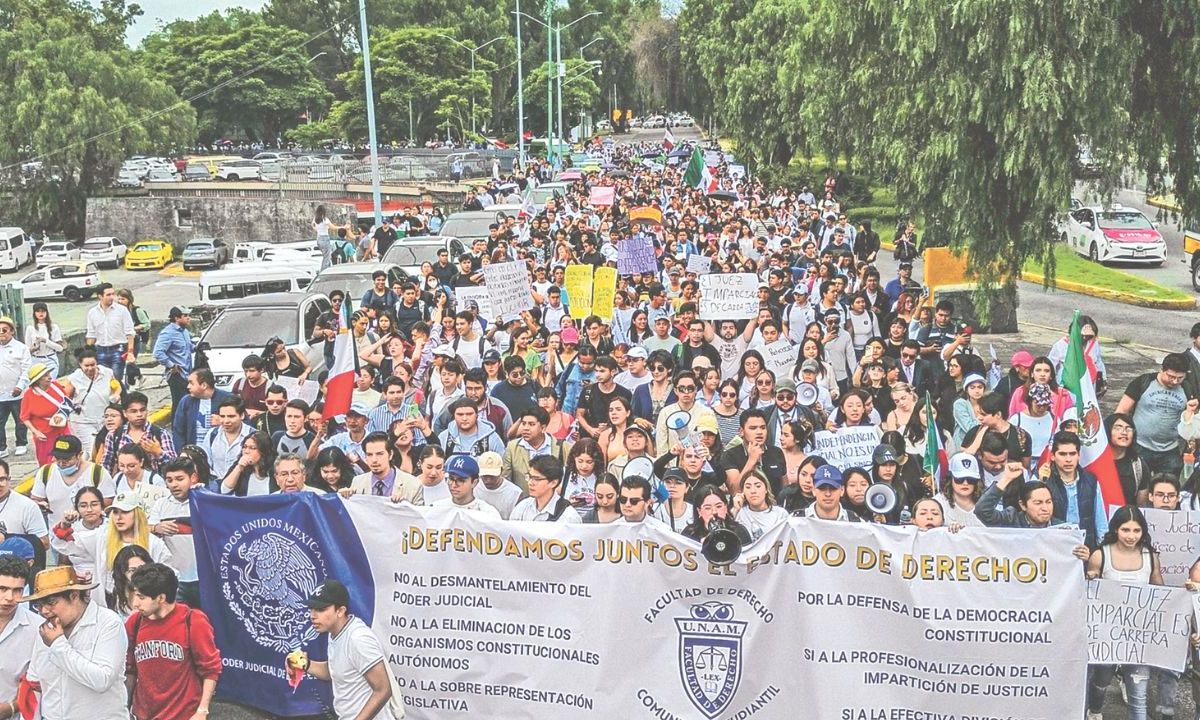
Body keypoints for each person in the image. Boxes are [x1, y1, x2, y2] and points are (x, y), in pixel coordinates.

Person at [1085, 506, 1163, 720]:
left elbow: (1160, 592)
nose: (1131, 536)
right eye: (1125, 530)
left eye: (1136, 531)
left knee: (1139, 696)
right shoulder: (1100, 555)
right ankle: (1095, 712)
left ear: (1143, 531)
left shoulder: (1150, 556)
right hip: (1106, 634)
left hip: (1138, 635)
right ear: (1116, 530)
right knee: (1101, 681)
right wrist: (1091, 577)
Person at [286, 580, 403, 720]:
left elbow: (383, 689)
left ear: (340, 611)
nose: (312, 615)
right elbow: (337, 671)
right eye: (311, 608)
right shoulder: (335, 632)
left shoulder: (358, 639)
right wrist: (306, 664)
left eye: (321, 609)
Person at [24, 565, 129, 719]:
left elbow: (102, 680)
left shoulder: (108, 623)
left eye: (51, 603)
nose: (44, 611)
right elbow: (35, 683)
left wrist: (58, 645)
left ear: (74, 595)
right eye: (39, 605)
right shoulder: (46, 630)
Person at [125, 563, 221, 720]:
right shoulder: (134, 622)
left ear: (161, 598)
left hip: (184, 714)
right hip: (143, 714)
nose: (135, 603)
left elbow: (211, 670)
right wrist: (125, 708)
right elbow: (130, 669)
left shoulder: (193, 621)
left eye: (142, 597)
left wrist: (202, 710)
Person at [1115, 353, 1190, 478]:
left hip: (1170, 450)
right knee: (1136, 485)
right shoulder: (1144, 382)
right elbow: (1121, 411)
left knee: (1167, 488)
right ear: (1162, 370)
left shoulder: (1187, 388)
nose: (1175, 381)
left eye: (1180, 378)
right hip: (1139, 446)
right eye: (1171, 376)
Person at [149, 457, 202, 607]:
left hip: (204, 578)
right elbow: (145, 529)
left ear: (193, 478)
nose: (174, 484)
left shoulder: (203, 501)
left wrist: (203, 493)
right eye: (169, 480)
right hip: (174, 578)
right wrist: (156, 528)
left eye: (179, 479)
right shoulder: (161, 504)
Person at [0, 554, 37, 718]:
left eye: (17, 591)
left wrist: (12, 708)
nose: (9, 598)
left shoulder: (38, 629)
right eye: (2, 589)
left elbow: (42, 683)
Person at [347, 432, 423, 503]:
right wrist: (344, 498)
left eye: (380, 454)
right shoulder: (358, 482)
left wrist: (404, 506)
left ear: (390, 455)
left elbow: (420, 515)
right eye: (369, 455)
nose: (374, 460)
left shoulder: (413, 485)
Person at [21, 362, 73, 465]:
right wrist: (36, 432)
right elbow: (24, 417)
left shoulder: (55, 386)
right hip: (44, 433)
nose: (49, 377)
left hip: (62, 428)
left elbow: (66, 401)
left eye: (49, 374)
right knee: (47, 461)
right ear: (37, 380)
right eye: (45, 376)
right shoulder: (29, 395)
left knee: (68, 455)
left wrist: (63, 416)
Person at [85, 283, 136, 383]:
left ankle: (120, 396)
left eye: (113, 294)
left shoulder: (122, 310)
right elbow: (91, 334)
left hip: (118, 349)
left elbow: (130, 332)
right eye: (108, 295)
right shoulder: (92, 312)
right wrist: (87, 354)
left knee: (115, 379)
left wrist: (130, 352)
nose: (112, 297)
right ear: (100, 296)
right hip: (100, 350)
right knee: (102, 380)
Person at [171, 369, 232, 451]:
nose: (188, 386)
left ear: (204, 385)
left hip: (221, 451)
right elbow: (178, 431)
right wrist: (182, 453)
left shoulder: (228, 399)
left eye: (191, 383)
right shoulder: (186, 401)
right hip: (194, 452)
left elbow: (245, 426)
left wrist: (223, 422)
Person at [510, 455, 580, 522]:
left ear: (553, 483)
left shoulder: (569, 516)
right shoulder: (522, 507)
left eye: (537, 479)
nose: (530, 483)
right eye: (530, 477)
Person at [0, 316, 30, 459]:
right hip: (0, 393)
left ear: (11, 331)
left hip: (17, 392)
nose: (2, 333)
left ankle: (21, 443)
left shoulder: (21, 348)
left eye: (4, 330)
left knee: (20, 419)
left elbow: (26, 369)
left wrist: (20, 386)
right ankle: (1, 447)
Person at [153, 306, 194, 411]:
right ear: (177, 318)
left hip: (187, 373)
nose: (188, 318)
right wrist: (171, 365)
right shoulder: (168, 333)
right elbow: (158, 352)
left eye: (189, 316)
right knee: (179, 405)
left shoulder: (184, 332)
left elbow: (188, 349)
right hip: (177, 374)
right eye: (185, 316)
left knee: (188, 404)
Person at [433, 455, 501, 517]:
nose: (453, 485)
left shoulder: (488, 513)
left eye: (460, 480)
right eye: (451, 479)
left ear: (474, 482)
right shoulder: (437, 508)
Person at [935, 452, 985, 528]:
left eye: (970, 479)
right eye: (959, 479)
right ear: (950, 478)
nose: (965, 483)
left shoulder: (987, 501)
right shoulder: (938, 503)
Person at [473, 452, 522, 520]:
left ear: (501, 471)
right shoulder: (472, 487)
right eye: (485, 476)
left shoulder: (515, 493)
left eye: (492, 476)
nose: (488, 480)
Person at [26, 302, 64, 378]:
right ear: (34, 313)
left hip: (50, 359)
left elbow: (60, 348)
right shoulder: (30, 328)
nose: (41, 313)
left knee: (50, 382)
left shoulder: (54, 327)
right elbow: (27, 349)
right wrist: (34, 348)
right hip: (36, 360)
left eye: (43, 311)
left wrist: (46, 341)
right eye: (38, 311)